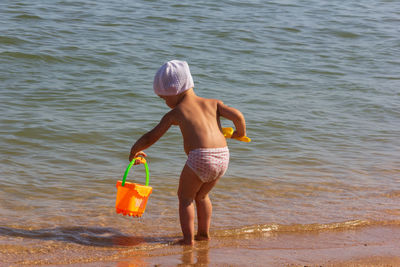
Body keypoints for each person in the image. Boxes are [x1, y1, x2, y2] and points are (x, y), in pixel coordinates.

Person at [129, 60, 247, 245]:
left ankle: (187, 240)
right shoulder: (213, 103)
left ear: (174, 91)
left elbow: (151, 137)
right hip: (223, 156)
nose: (165, 102)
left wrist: (134, 150)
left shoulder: (176, 113)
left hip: (200, 158)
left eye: (164, 98)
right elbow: (238, 116)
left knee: (185, 198)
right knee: (202, 196)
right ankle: (203, 234)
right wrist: (239, 134)